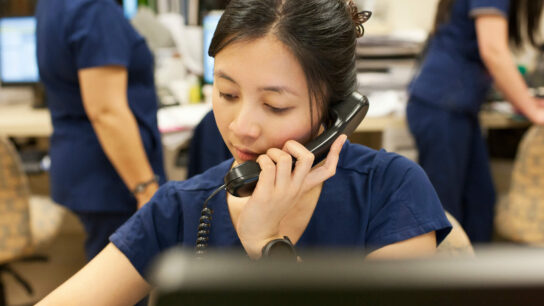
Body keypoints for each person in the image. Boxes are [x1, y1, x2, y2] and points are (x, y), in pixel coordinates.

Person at [37, 1, 451, 305]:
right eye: (227, 93)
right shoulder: (182, 207)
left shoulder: (391, 189)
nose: (241, 126)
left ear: (338, 110)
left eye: (275, 105)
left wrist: (268, 244)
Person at [35, 0, 166, 261]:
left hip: (85, 166)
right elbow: (106, 112)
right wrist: (146, 189)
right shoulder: (95, 9)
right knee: (123, 288)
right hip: (113, 176)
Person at [407, 0, 544, 243]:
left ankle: (475, 277)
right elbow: (493, 51)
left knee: (480, 203)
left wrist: (525, 101)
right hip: (441, 107)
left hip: (457, 109)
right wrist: (532, 111)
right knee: (446, 215)